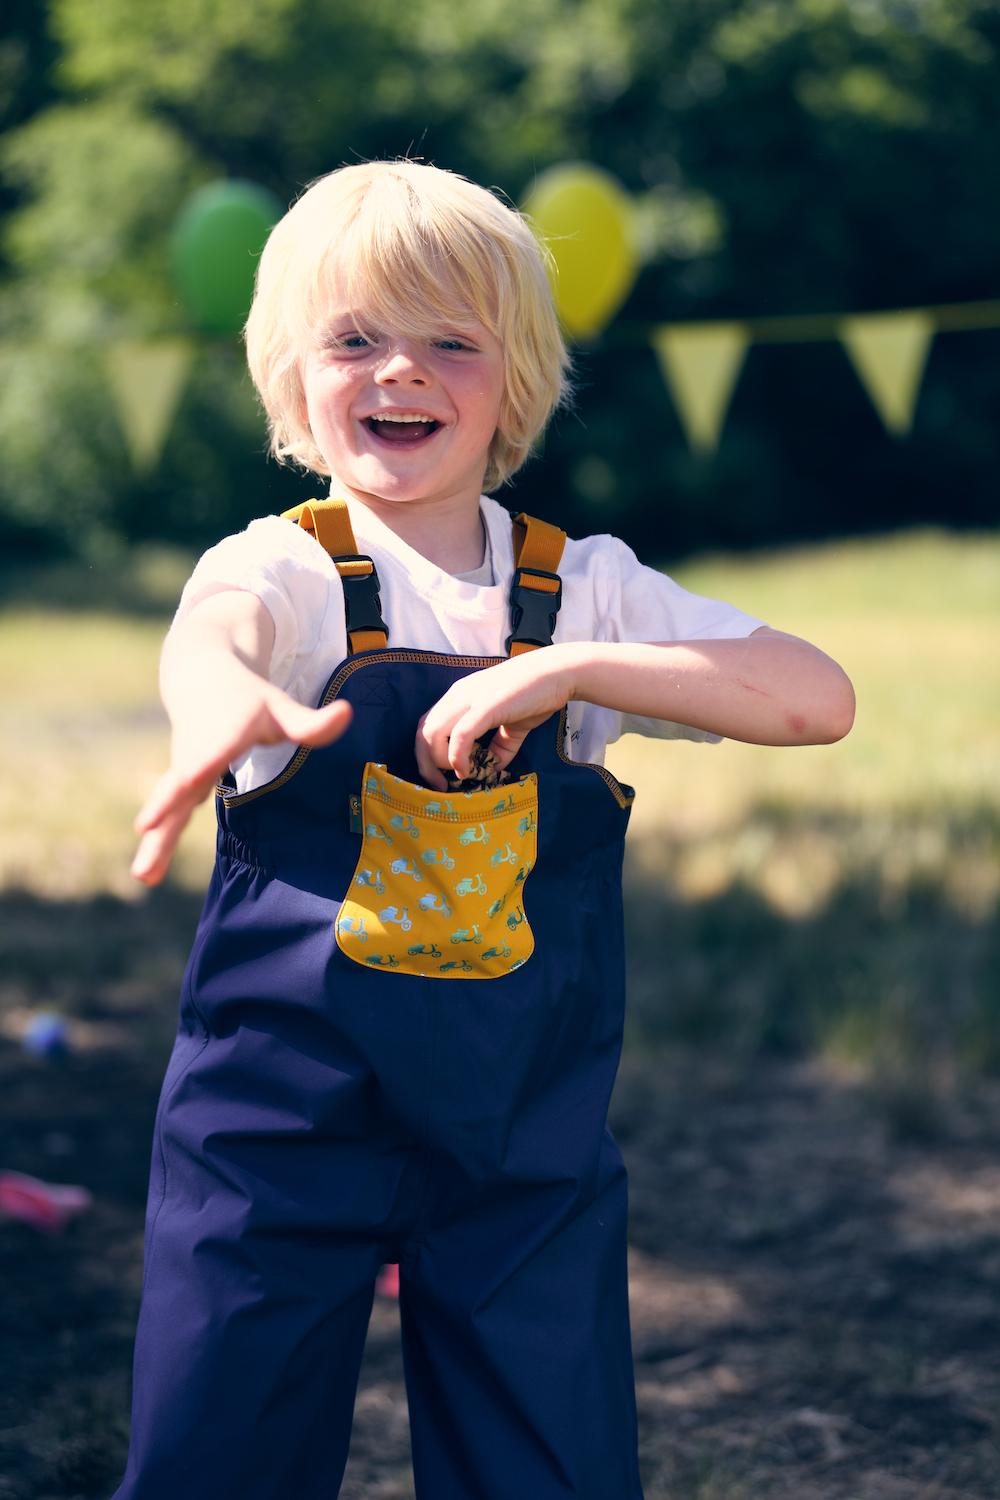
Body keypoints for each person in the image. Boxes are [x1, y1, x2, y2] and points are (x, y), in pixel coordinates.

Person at [114, 159, 855, 1500]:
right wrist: (220, 705)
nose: (401, 371)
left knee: (549, 1463)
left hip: (522, 1134)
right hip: (275, 1125)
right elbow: (211, 640)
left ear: (512, 379)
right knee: (219, 1448)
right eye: (355, 338)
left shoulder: (583, 587)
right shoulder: (284, 566)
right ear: (290, 375)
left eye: (450, 341)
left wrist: (573, 670)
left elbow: (817, 698)